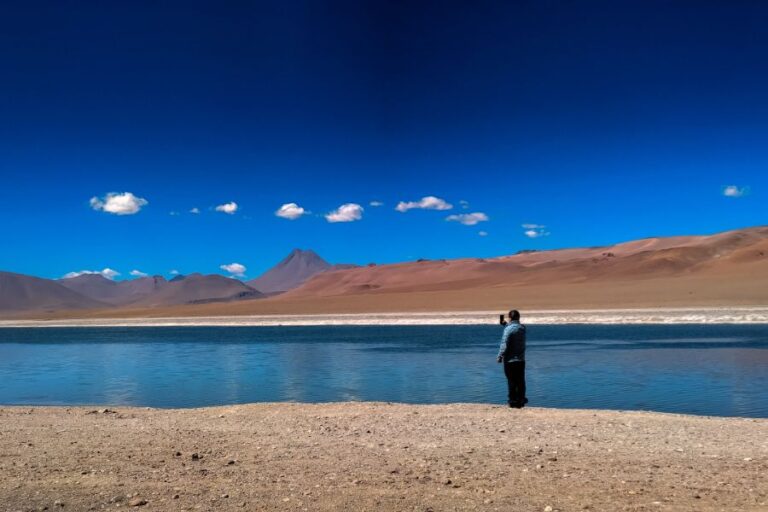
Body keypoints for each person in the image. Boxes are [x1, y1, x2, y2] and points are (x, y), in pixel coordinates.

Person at [497, 309, 527, 408]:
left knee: (511, 380)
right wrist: (505, 325)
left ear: (510, 318)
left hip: (510, 360)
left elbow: (504, 343)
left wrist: (500, 356)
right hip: (521, 360)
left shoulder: (508, 329)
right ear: (519, 317)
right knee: (520, 380)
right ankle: (521, 399)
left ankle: (513, 401)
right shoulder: (522, 328)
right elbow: (514, 329)